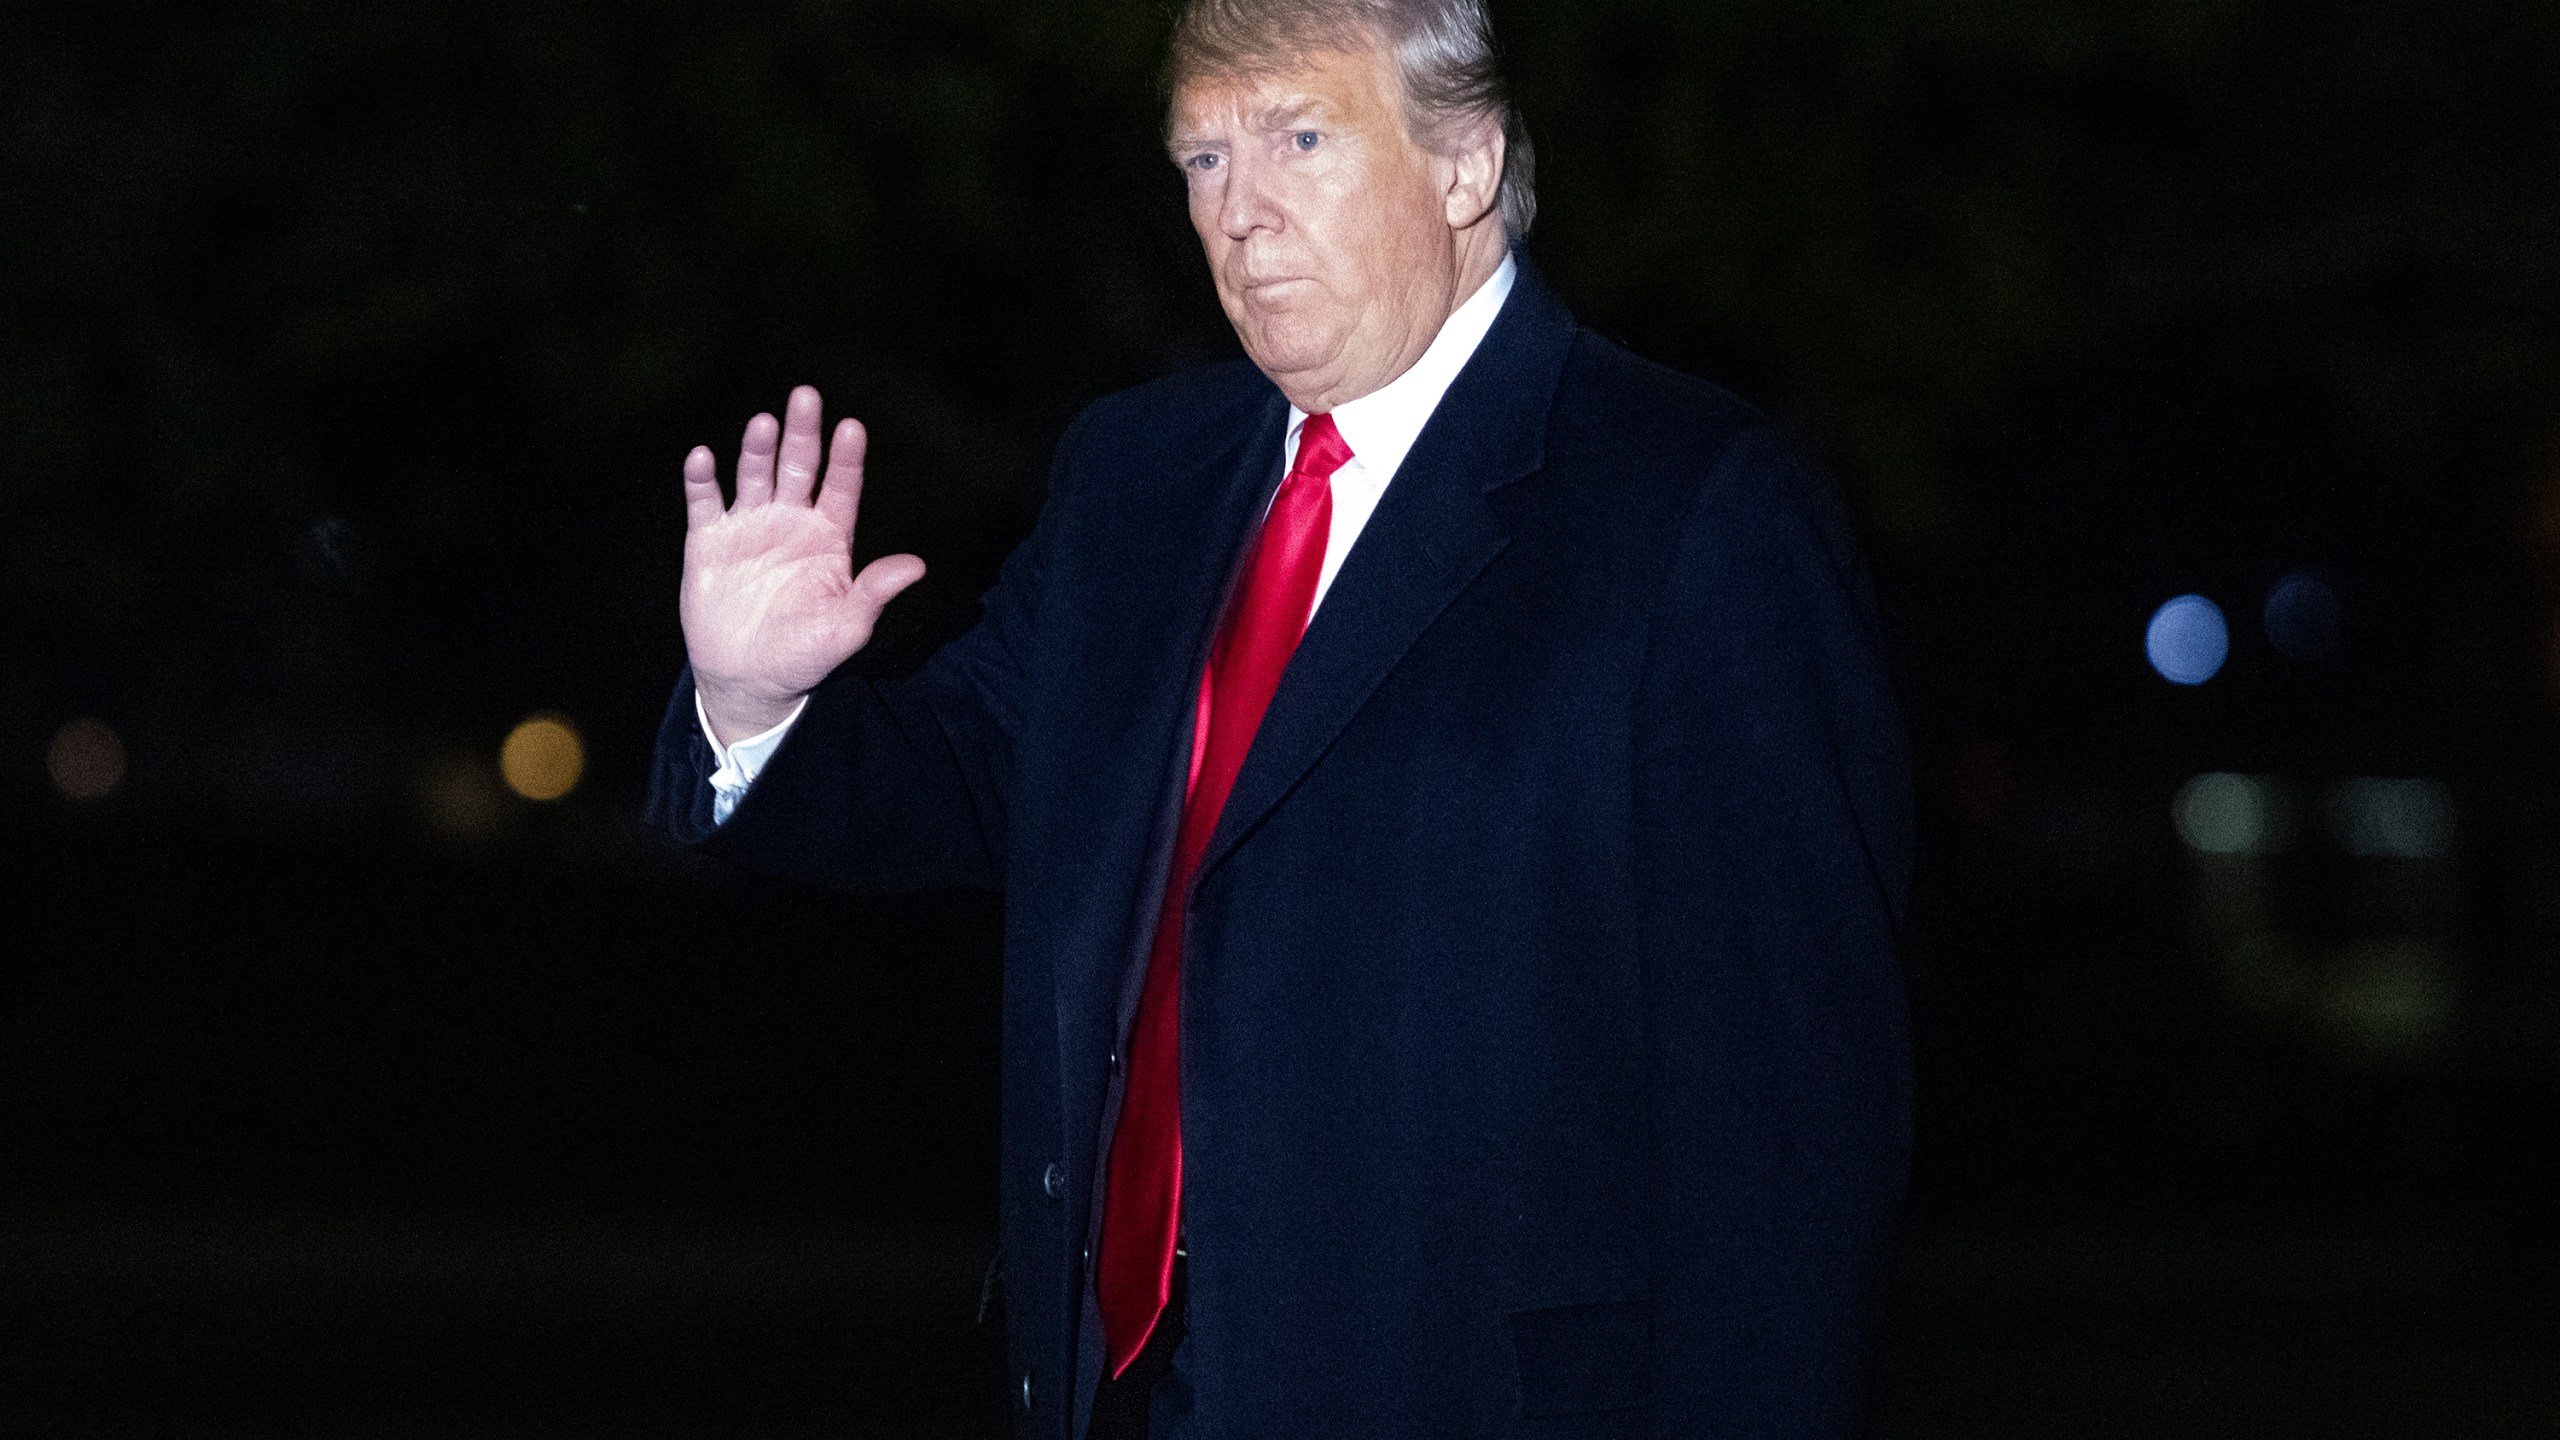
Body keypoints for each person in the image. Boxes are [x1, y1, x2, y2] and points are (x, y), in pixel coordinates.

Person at [647, 1, 1912, 1435]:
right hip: (1116, 1389)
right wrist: (753, 700)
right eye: (1200, 160)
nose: (1239, 212)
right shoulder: (1137, 474)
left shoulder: (1691, 506)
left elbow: (1787, 1136)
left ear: (1466, 167)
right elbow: (974, 768)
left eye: (1299, 138)